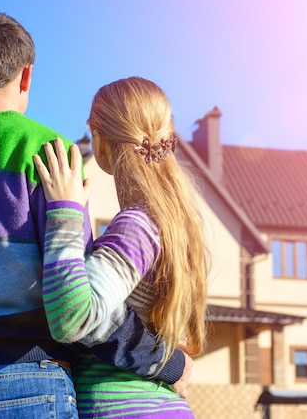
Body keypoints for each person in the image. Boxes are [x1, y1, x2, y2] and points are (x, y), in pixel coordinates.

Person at [0, 14, 190, 418]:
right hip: (25, 382)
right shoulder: (51, 154)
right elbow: (80, 307)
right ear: (26, 76)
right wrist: (166, 362)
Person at [33, 76, 209, 418]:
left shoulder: (138, 224)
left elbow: (74, 316)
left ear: (99, 142)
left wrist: (65, 213)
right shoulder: (171, 222)